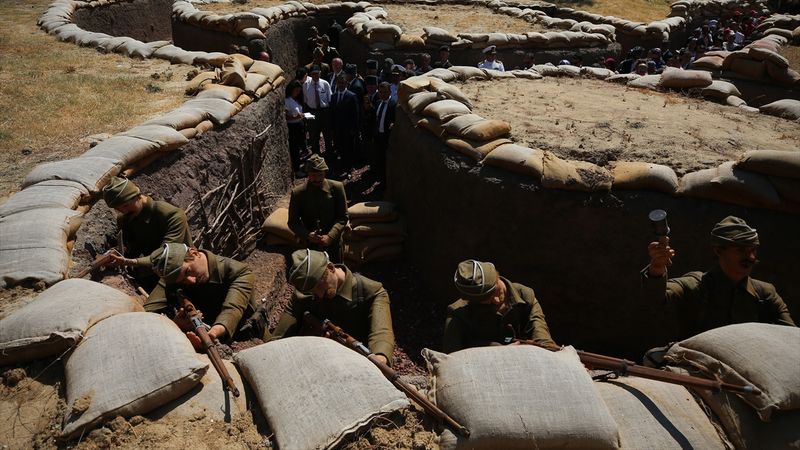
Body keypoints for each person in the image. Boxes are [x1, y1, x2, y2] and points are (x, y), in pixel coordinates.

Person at [642, 216, 796, 343]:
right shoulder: (696, 285)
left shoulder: (765, 294)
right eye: (740, 250)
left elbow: (791, 335)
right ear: (718, 251)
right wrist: (657, 268)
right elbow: (656, 298)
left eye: (753, 250)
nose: (750, 257)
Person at [270, 249, 395, 365]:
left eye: (320, 286)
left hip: (357, 362)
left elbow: (382, 332)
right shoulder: (306, 294)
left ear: (331, 268)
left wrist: (380, 358)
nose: (319, 294)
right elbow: (287, 321)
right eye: (312, 292)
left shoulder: (371, 292)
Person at [145, 243, 269, 345]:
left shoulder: (239, 272)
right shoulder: (175, 275)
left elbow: (232, 310)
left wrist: (211, 335)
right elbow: (147, 311)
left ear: (194, 253)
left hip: (249, 337)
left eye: (188, 271)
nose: (191, 281)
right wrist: (175, 324)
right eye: (183, 280)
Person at [442, 260, 555, 353]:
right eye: (486, 301)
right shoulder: (458, 313)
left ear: (498, 277)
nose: (496, 301)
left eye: (497, 292)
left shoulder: (525, 296)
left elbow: (543, 339)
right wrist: (498, 351)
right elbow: (452, 354)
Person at [102, 177, 192, 290]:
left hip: (183, 271)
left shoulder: (172, 215)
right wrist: (119, 251)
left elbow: (166, 254)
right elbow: (131, 244)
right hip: (152, 271)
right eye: (118, 209)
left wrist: (131, 262)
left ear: (138, 196)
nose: (124, 211)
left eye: (126, 205)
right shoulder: (125, 218)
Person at [288, 155, 348, 262]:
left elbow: (343, 217)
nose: (317, 179)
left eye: (320, 175)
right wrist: (307, 235)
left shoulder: (337, 188)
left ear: (325, 173)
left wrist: (330, 236)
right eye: (313, 175)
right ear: (307, 175)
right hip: (311, 247)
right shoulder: (298, 193)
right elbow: (293, 222)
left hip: (333, 245)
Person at [330, 75, 360, 172]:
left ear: (346, 83)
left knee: (348, 148)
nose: (341, 85)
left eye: (343, 83)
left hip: (348, 129)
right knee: (339, 147)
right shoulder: (333, 97)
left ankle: (349, 167)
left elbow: (356, 114)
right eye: (339, 83)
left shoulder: (352, 96)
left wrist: (354, 129)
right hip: (337, 129)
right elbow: (332, 113)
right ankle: (341, 165)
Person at [303, 65, 332, 155]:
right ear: (310, 75)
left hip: (324, 112)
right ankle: (316, 155)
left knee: (327, 134)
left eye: (317, 73)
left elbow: (330, 98)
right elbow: (305, 101)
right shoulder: (306, 85)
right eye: (313, 74)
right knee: (313, 135)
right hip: (312, 112)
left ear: (320, 73)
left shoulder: (325, 84)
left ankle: (329, 154)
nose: (315, 76)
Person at [372, 81, 396, 185]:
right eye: (381, 92)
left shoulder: (394, 104)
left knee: (387, 160)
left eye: (385, 92)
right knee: (378, 158)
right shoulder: (378, 103)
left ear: (390, 92)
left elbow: (396, 121)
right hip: (378, 136)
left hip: (388, 137)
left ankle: (387, 182)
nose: (383, 94)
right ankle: (380, 178)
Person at [285, 80, 306, 176]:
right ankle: (297, 170)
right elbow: (285, 116)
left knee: (300, 147)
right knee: (294, 149)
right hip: (293, 127)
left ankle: (299, 166)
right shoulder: (287, 101)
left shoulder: (297, 99)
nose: (298, 93)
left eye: (299, 91)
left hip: (299, 125)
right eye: (296, 91)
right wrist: (295, 117)